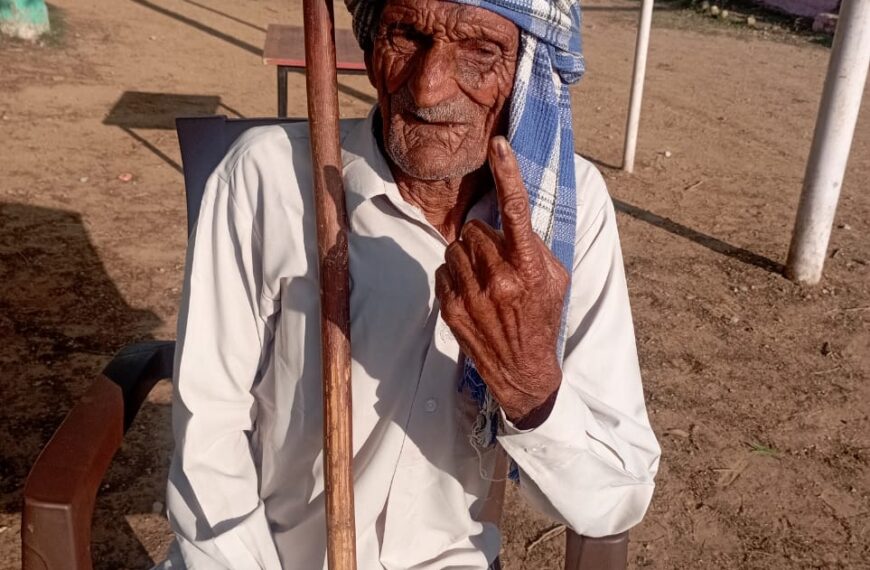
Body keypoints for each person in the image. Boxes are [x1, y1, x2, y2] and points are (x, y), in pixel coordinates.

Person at [160, 0, 661, 568]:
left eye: (479, 51)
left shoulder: (567, 216)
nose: (427, 90)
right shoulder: (266, 178)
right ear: (372, 51)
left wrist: (530, 389)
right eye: (407, 36)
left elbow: (615, 495)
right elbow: (209, 441)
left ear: (527, 75)